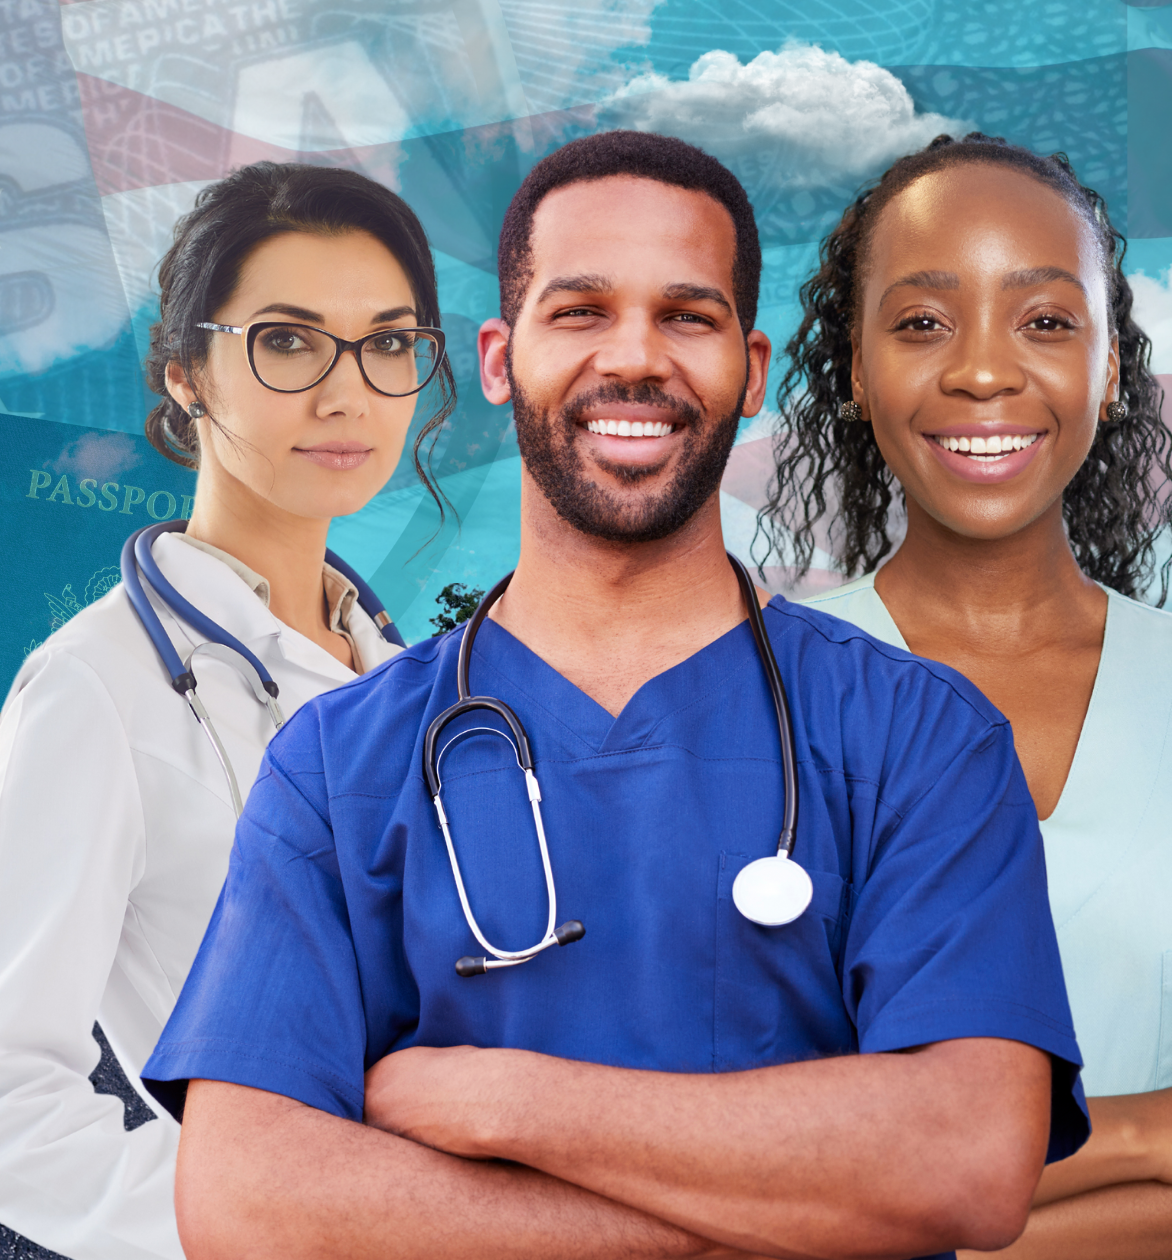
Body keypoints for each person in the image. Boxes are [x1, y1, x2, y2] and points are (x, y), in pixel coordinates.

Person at [141, 130, 1090, 1260]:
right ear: (499, 359)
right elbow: (250, 1207)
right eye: (579, 310)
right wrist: (788, 1208)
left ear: (748, 368)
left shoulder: (920, 742)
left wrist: (508, 1104)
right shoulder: (337, 764)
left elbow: (964, 1162)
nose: (632, 358)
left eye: (684, 316)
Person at [0, 161, 455, 1259]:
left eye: (389, 342)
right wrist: (272, 1228)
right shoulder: (96, 684)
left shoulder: (419, 679)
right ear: (184, 376)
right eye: (288, 340)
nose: (346, 391)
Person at [761, 133, 1172, 1256]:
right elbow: (737, 1174)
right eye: (921, 322)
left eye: (1043, 321)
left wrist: (916, 1202)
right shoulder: (751, 695)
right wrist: (1140, 1148)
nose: (981, 371)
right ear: (850, 368)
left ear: (1110, 367)